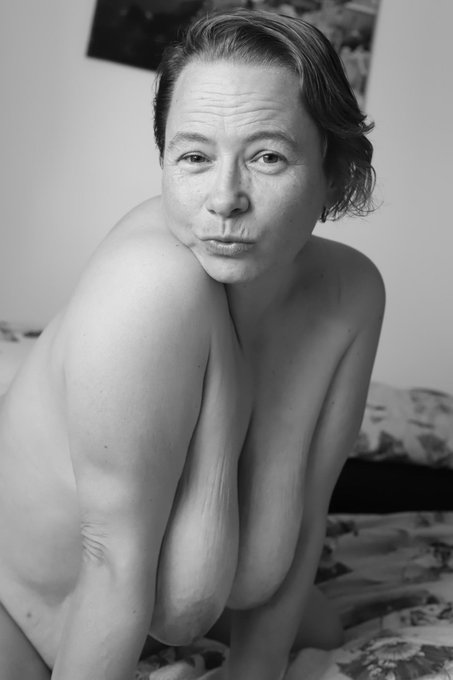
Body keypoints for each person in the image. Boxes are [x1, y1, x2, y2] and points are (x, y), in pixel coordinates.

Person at [0, 9, 385, 680]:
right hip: (27, 601)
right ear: (164, 162)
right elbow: (110, 558)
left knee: (323, 628)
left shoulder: (350, 292)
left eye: (267, 156)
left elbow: (306, 521)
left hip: (170, 606)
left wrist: (254, 671)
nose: (225, 198)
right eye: (195, 157)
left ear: (333, 169)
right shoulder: (147, 286)